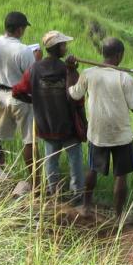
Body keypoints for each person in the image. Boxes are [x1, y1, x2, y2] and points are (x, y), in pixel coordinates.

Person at [68, 37, 133, 216]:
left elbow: (73, 94)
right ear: (119, 55)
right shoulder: (124, 78)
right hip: (121, 135)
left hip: (97, 133)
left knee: (93, 169)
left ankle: (86, 206)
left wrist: (71, 71)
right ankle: (118, 216)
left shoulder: (88, 73)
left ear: (103, 54)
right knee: (121, 175)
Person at [13, 30, 84, 200]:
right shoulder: (66, 70)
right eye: (64, 45)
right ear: (58, 47)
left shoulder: (34, 69)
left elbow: (17, 91)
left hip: (46, 124)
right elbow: (78, 98)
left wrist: (34, 100)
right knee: (75, 160)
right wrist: (73, 72)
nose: (66, 47)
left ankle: (53, 193)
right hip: (68, 125)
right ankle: (77, 195)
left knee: (51, 160)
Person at [0, 11, 40, 187]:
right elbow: (32, 77)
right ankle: (36, 185)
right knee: (29, 141)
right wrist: (37, 60)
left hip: (0, 94)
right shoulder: (24, 50)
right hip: (21, 99)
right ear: (20, 29)